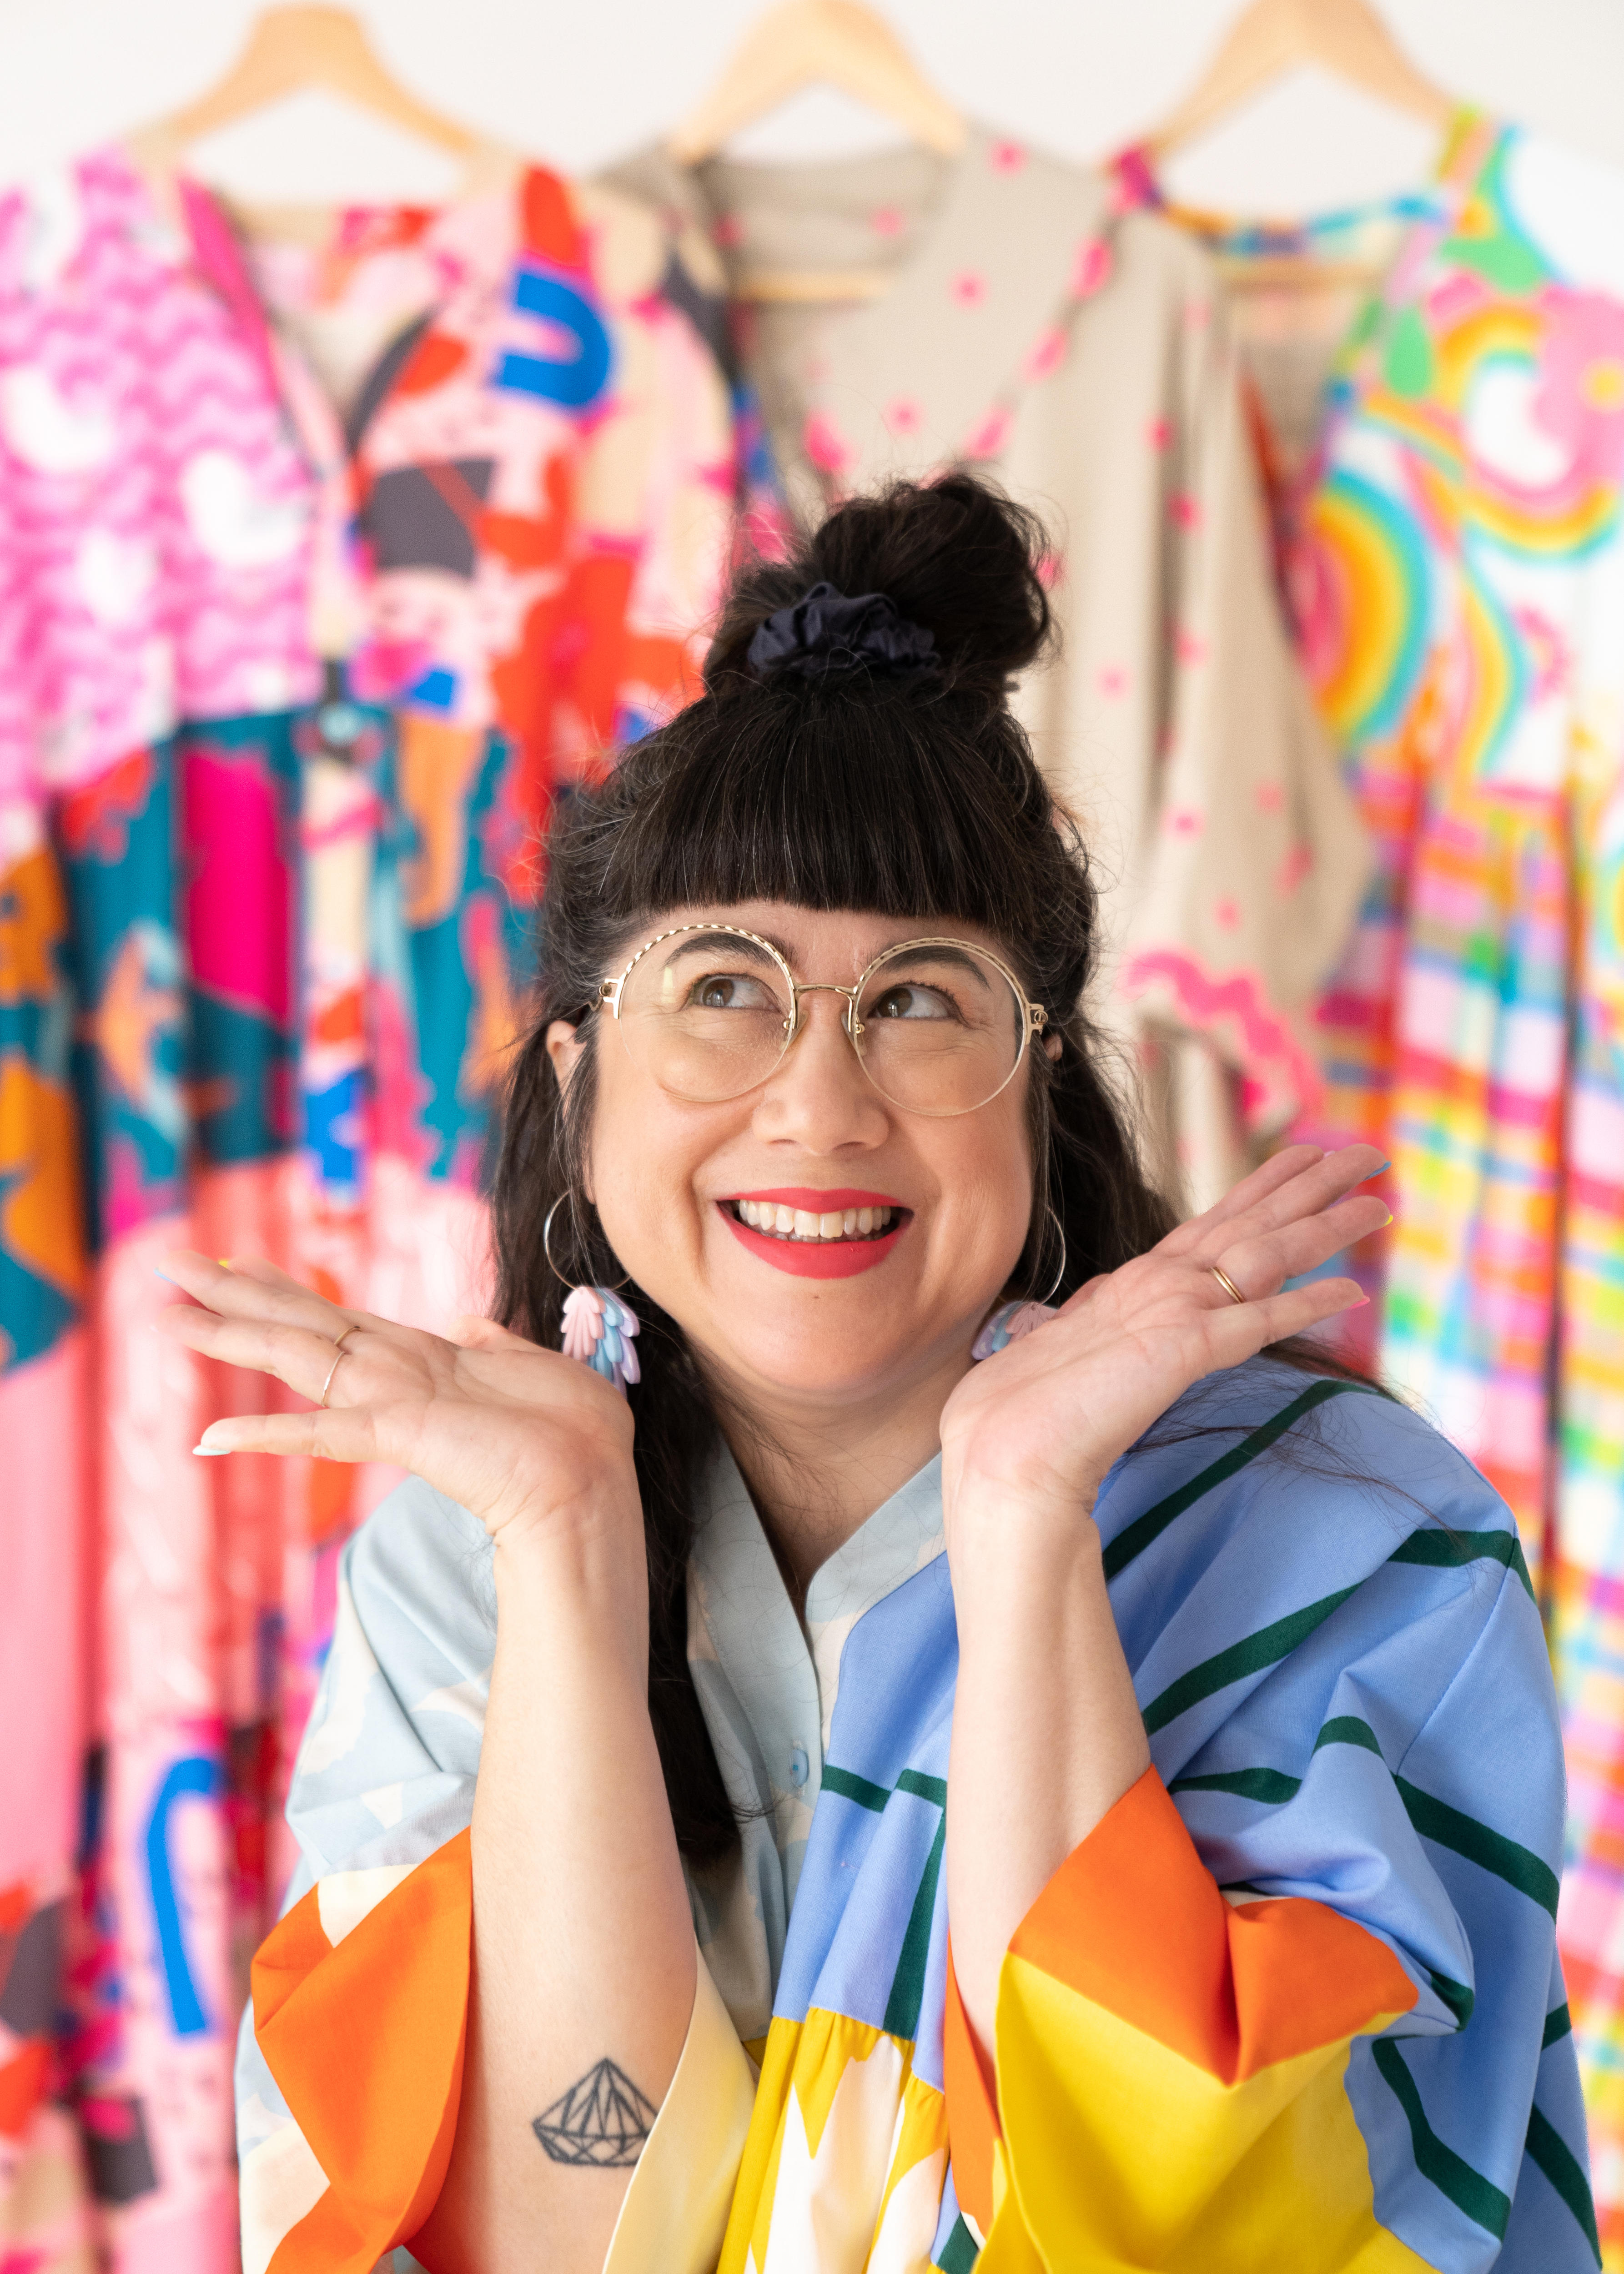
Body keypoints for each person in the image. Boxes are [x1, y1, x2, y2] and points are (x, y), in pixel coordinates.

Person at [194, 475, 1592, 2274]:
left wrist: (1019, 1527)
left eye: (919, 997)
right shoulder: (458, 1557)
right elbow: (539, 2234)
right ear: (572, 1077)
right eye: (722, 987)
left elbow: (1210, 2227)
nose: (819, 1103)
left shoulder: (1340, 1539)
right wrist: (563, 1552)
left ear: (1038, 1076)